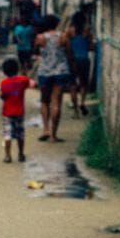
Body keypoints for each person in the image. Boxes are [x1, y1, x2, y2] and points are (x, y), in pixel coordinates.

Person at [34, 13, 72, 142]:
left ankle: (45, 129)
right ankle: (54, 135)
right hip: (60, 71)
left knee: (44, 101)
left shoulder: (40, 38)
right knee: (56, 102)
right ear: (56, 24)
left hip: (44, 71)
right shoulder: (63, 37)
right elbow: (69, 54)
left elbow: (35, 52)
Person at [0, 56, 33, 163]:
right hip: (19, 112)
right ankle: (21, 154)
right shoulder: (23, 80)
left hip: (7, 113)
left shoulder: (4, 83)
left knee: (7, 135)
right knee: (20, 134)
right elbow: (32, 83)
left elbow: (2, 95)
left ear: (4, 71)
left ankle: (8, 156)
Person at [69, 10, 94, 118]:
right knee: (84, 84)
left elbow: (67, 46)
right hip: (84, 59)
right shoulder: (87, 31)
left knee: (73, 85)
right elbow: (91, 47)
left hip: (73, 60)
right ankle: (82, 103)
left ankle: (75, 111)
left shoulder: (70, 31)